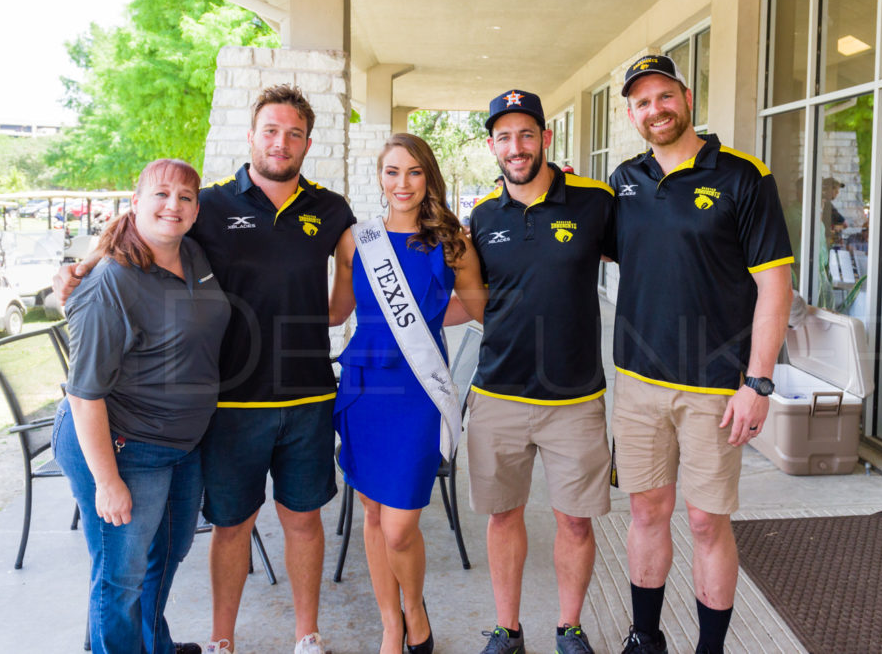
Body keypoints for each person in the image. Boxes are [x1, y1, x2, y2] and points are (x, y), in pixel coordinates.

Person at [54, 85, 355, 654]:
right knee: (223, 530)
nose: (281, 142)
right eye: (270, 129)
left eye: (294, 133)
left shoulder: (331, 207)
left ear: (308, 143)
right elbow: (140, 221)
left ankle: (306, 635)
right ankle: (221, 640)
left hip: (306, 396)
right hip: (229, 405)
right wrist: (81, 267)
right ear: (251, 135)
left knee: (283, 526)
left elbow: (354, 281)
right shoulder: (209, 203)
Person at [607, 55, 793, 654]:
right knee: (645, 515)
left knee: (708, 521)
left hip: (715, 385)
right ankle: (645, 636)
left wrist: (758, 383)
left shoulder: (744, 176)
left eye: (664, 96)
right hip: (637, 381)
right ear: (630, 113)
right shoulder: (624, 181)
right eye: (642, 102)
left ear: (686, 97)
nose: (655, 109)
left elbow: (774, 285)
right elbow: (604, 249)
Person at [53, 158, 230, 654]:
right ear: (135, 204)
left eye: (185, 197)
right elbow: (84, 393)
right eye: (160, 194)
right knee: (121, 577)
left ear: (197, 209)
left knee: (167, 556)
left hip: (181, 443)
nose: (173, 205)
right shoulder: (111, 281)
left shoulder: (194, 254)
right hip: (123, 445)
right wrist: (108, 483)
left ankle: (154, 645)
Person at [468, 89, 618, 654]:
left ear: (546, 139)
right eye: (504, 137)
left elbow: (649, 254)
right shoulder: (482, 216)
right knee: (503, 517)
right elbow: (470, 296)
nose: (516, 146)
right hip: (498, 393)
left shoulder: (594, 201)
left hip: (575, 397)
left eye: (526, 134)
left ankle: (569, 626)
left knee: (576, 521)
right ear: (491, 146)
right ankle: (507, 630)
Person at [328, 133, 486, 654]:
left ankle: (414, 606)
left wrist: (429, 320)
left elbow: (480, 308)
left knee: (399, 527)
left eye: (414, 172)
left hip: (417, 392)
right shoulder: (357, 240)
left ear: (429, 178)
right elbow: (338, 311)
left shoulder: (451, 243)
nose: (403, 183)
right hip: (364, 388)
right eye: (392, 171)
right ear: (380, 177)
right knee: (373, 514)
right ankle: (391, 625)